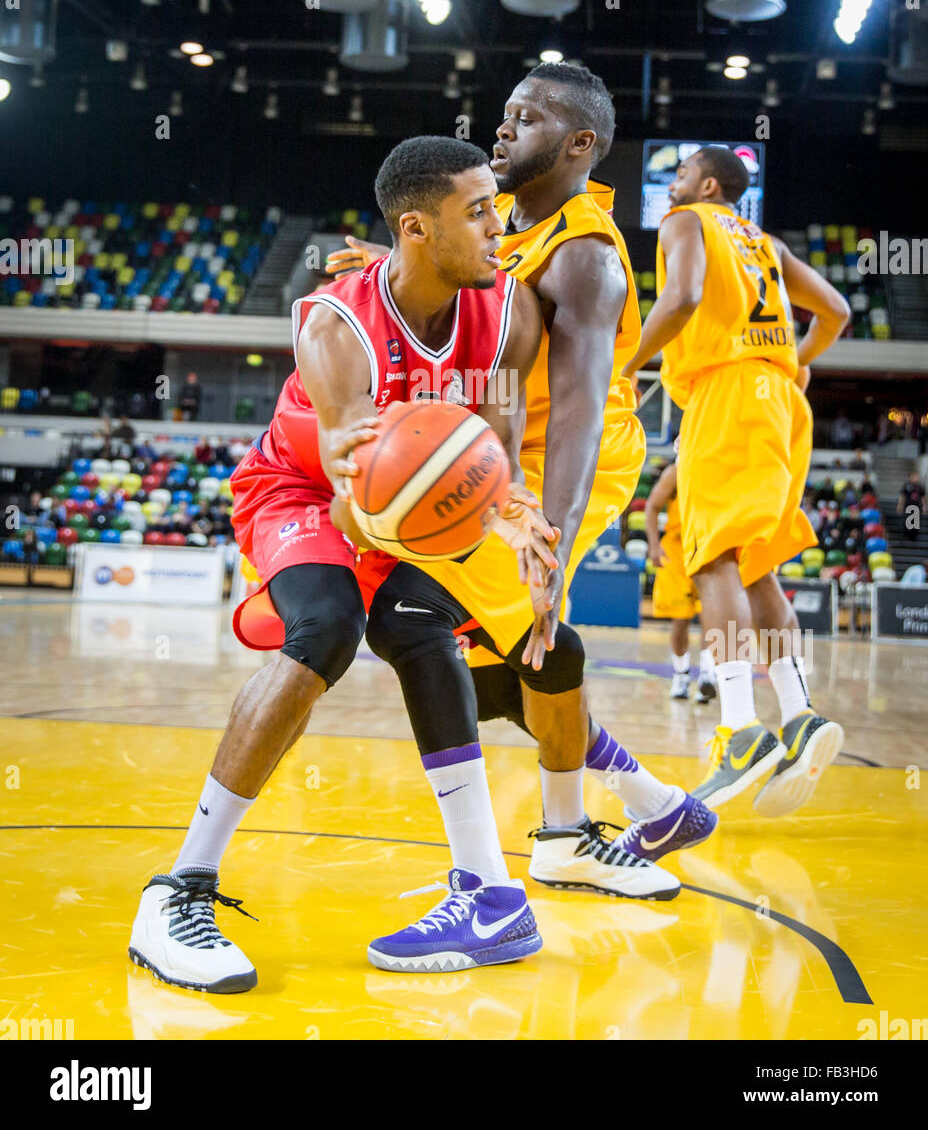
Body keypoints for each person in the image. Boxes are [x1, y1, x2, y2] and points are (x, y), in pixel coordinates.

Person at [128, 137, 561, 993]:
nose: (498, 227)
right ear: (416, 228)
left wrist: (514, 516)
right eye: (477, 212)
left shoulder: (512, 310)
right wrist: (440, 513)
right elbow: (350, 499)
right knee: (329, 627)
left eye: (498, 207)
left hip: (401, 506)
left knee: (419, 622)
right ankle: (177, 891)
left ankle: (489, 892)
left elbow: (498, 446)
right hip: (301, 493)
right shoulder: (336, 326)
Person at [329, 66, 717, 960]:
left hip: (559, 466)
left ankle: (502, 889)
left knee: (423, 619)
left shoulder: (584, 253)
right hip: (495, 454)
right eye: (503, 114)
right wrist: (397, 271)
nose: (502, 130)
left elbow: (579, 409)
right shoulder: (516, 233)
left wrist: (556, 544)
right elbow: (475, 306)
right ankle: (616, 818)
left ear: (580, 145)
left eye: (527, 118)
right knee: (494, 656)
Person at [623, 145, 850, 817]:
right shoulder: (767, 244)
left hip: (726, 394)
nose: (674, 182)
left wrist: (628, 367)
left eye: (684, 172)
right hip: (782, 401)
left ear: (710, 184)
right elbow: (834, 308)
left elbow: (683, 296)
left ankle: (741, 732)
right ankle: (800, 715)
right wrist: (796, 362)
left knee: (714, 558)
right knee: (755, 564)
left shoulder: (686, 222)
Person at [644, 455, 717, 703]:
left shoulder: (719, 467)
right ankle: (681, 674)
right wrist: (654, 545)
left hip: (710, 547)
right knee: (680, 619)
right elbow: (652, 506)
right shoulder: (676, 471)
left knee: (712, 614)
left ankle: (708, 673)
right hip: (677, 550)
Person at [898, 473, 926, 542]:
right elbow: (903, 496)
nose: (915, 478)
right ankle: (906, 535)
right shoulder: (907, 485)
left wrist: (925, 507)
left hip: (916, 506)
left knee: (915, 522)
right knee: (907, 521)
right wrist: (900, 505)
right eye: (914, 477)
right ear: (910, 477)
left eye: (917, 477)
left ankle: (914, 536)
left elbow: (923, 497)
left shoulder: (920, 486)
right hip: (908, 506)